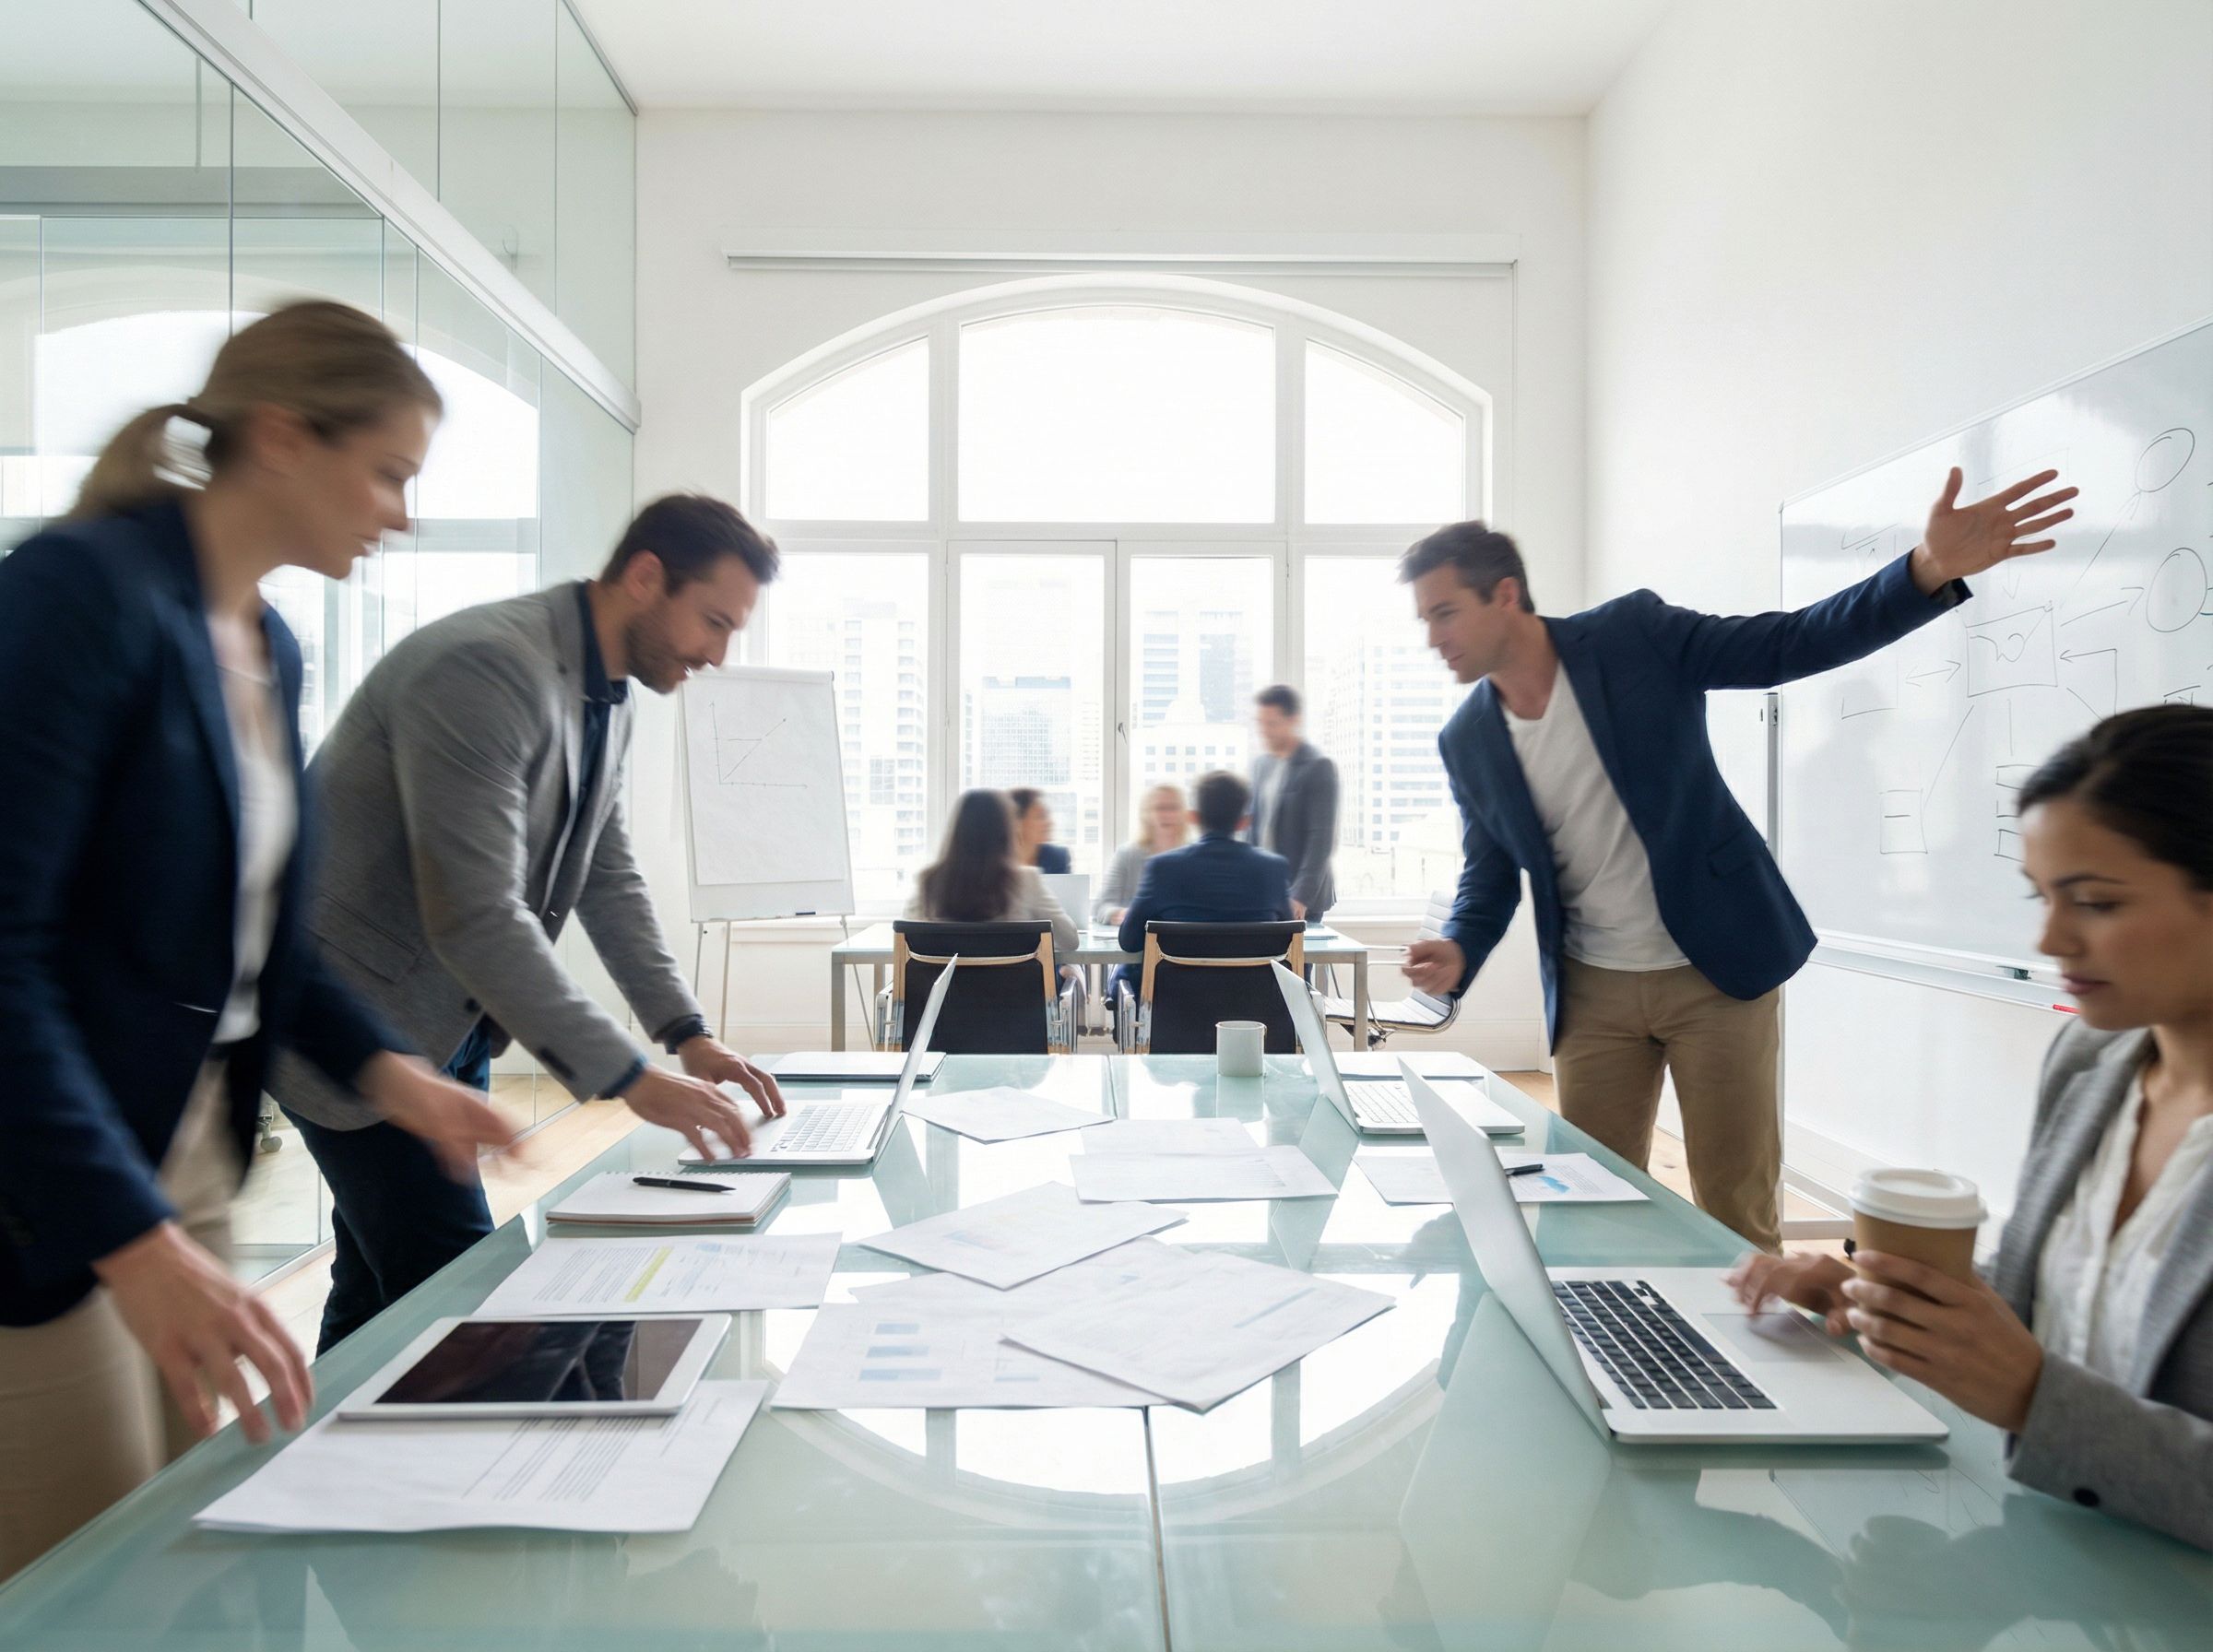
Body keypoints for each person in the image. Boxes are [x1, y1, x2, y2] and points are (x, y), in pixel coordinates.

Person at [0, 302, 515, 1580]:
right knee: (78, 1557)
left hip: (190, 1149)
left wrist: (394, 1074)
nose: (399, 512)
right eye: (388, 472)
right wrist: (131, 1237)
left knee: (186, 1535)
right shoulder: (77, 596)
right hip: (45, 1172)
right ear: (282, 438)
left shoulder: (269, 645)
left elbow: (261, 947)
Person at [1400, 467, 2078, 1251]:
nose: (1434, 638)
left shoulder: (1633, 636)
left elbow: (1787, 644)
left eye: (1445, 612)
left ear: (1506, 595)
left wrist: (1926, 570)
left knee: (1735, 1208)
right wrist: (1460, 944)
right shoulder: (1467, 739)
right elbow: (1489, 873)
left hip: (1715, 969)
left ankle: (1748, 1365)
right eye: (1424, 619)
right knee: (1592, 1208)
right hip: (1593, 995)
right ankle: (1618, 1359)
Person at [268, 494, 789, 1353]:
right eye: (713, 623)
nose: (718, 655)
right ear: (646, 577)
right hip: (358, 1026)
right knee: (475, 1308)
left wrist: (686, 1033)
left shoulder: (609, 692)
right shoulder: (484, 668)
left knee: (377, 1296)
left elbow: (606, 874)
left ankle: (311, 1471)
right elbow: (474, 916)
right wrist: (629, 1077)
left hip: (450, 1021)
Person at [1732, 706, 2213, 1552]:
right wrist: (1884, 1303)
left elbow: (2049, 1379)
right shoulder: (2092, 1064)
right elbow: (2072, 1295)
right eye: (2044, 898)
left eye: (2096, 902)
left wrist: (2035, 1397)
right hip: (2058, 1557)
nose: (2049, 938)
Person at [1117, 771, 1295, 955]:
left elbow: (1129, 941)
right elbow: (1289, 942)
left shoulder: (1162, 867)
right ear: (1244, 822)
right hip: (1258, 984)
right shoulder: (1273, 868)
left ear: (1193, 817)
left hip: (1179, 984)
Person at [906, 789, 1079, 955]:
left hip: (946, 985)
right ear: (1006, 832)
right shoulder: (1026, 881)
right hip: (1013, 985)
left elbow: (906, 939)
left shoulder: (928, 881)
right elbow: (1070, 940)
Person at [1248, 684, 1339, 923]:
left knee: (1297, 961)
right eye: (1261, 723)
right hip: (1265, 893)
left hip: (1302, 898)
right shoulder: (1261, 765)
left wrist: (1300, 896)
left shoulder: (1318, 766)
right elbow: (1253, 830)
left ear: (1294, 720)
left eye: (1272, 724)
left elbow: (1321, 840)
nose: (1264, 731)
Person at [1096, 782, 1190, 926]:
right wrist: (1121, 914)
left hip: (1186, 939)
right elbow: (1101, 907)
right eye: (1160, 808)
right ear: (1146, 814)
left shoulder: (1195, 855)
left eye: (1173, 808)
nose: (1167, 814)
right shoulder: (1127, 855)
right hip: (1139, 940)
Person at [1007, 785, 1071, 874]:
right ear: (1017, 822)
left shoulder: (1058, 857)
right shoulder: (993, 859)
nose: (1050, 823)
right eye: (1041, 817)